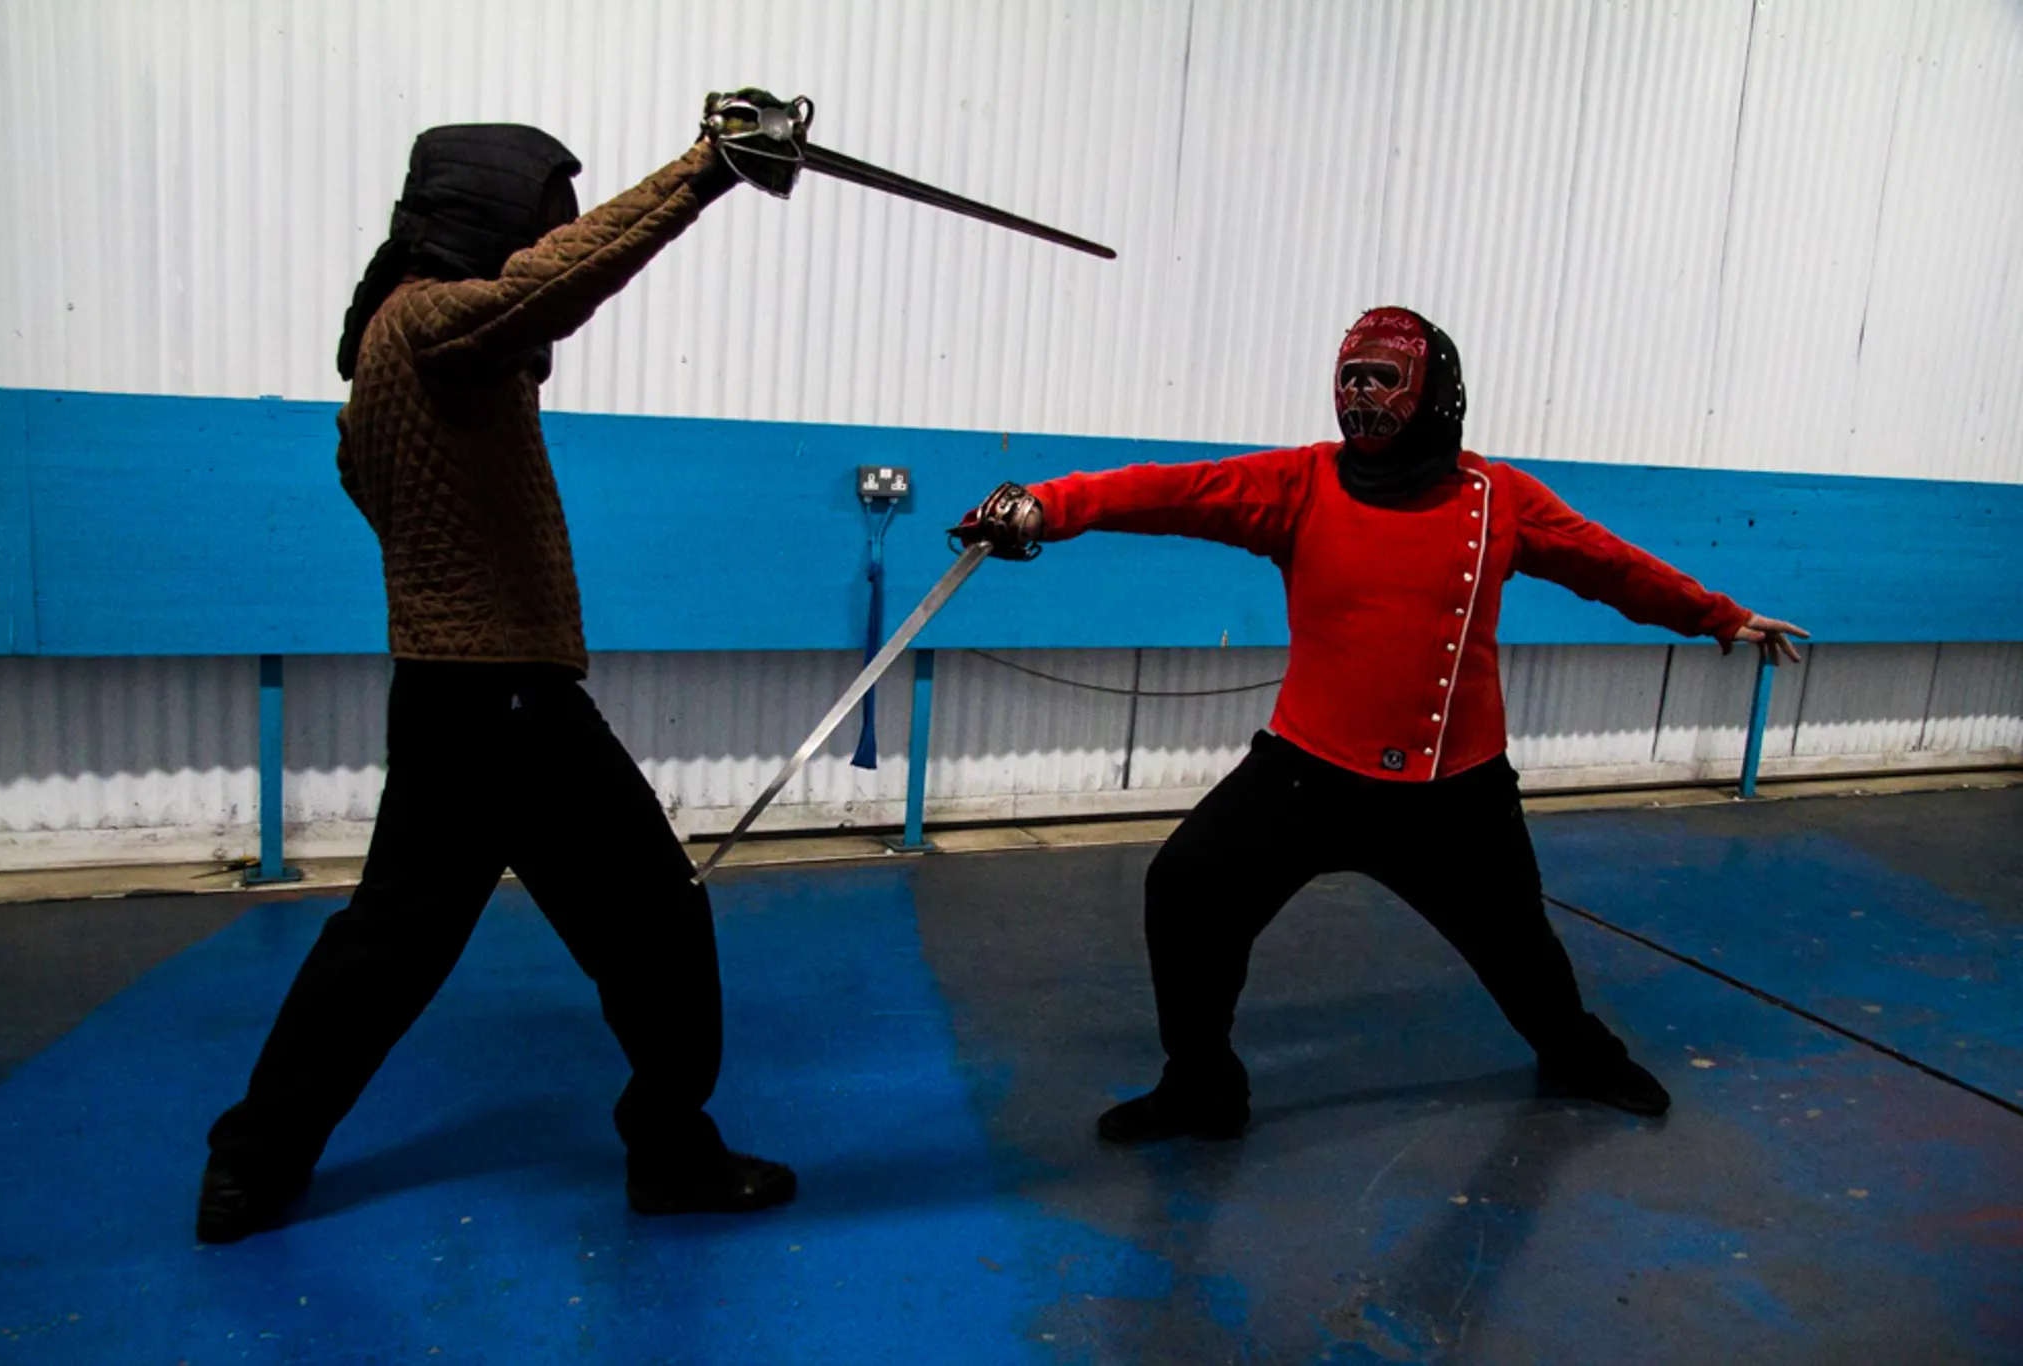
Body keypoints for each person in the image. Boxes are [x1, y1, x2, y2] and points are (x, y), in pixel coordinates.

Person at [952, 306, 1808, 1143]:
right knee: (1187, 889)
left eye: (1383, 378)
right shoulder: (1302, 482)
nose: (1363, 395)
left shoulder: (1496, 497)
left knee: (1521, 948)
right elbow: (1175, 490)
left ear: (1435, 390)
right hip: (1306, 773)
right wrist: (1044, 507)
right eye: (1350, 377)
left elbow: (1607, 564)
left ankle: (1578, 1055)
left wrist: (1717, 616)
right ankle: (1202, 1088)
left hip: (1455, 790)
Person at [199, 99, 799, 1243]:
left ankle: (250, 1162)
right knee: (659, 931)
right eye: (532, 227)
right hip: (510, 704)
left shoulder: (398, 355)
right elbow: (548, 285)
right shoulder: (433, 326)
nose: (541, 248)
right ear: (477, 219)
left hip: (446, 697)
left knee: (387, 945)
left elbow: (371, 475)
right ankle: (669, 1150)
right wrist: (707, 168)